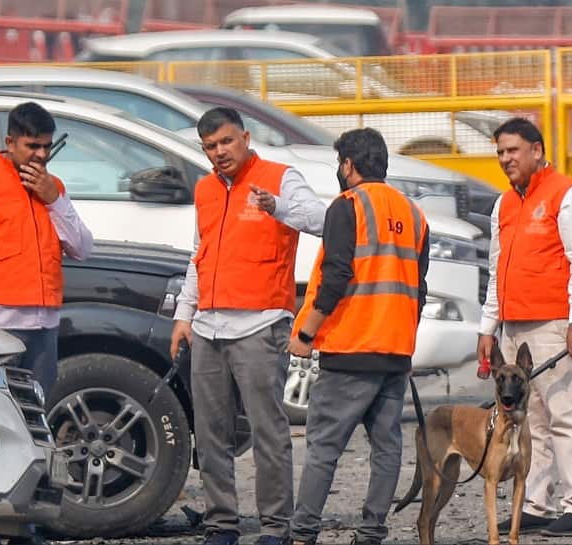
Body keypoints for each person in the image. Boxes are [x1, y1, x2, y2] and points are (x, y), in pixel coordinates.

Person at [170, 107, 326, 545]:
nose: (220, 152)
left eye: (226, 142)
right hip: (208, 328)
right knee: (211, 433)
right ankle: (222, 523)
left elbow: (320, 220)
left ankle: (276, 526)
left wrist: (277, 208)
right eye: (210, 147)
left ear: (246, 137)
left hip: (260, 324)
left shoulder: (280, 176)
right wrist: (184, 316)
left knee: (268, 432)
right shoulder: (204, 190)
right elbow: (198, 256)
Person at [286, 127, 430, 545]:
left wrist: (306, 332)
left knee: (323, 449)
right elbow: (417, 290)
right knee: (386, 449)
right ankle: (371, 534)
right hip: (395, 352)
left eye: (339, 163)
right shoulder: (414, 215)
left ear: (348, 165)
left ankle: (303, 533)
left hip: (350, 348)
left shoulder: (346, 206)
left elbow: (336, 277)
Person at [477, 117, 572, 537]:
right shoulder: (504, 204)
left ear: (537, 149)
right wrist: (487, 326)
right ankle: (538, 502)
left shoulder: (569, 196)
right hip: (514, 327)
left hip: (552, 324)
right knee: (531, 420)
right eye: (500, 152)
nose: (505, 159)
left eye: (513, 150)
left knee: (565, 413)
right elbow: (496, 270)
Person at [0, 101, 92, 398]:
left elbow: (82, 248)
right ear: (10, 143)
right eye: (33, 146)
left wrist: (53, 200)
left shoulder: (54, 188)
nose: (42, 155)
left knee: (36, 409)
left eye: (47, 147)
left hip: (45, 324)